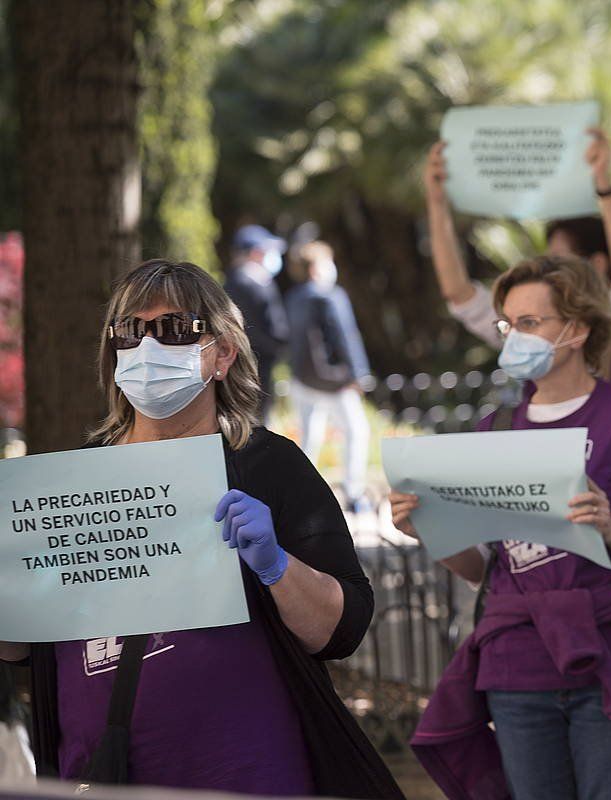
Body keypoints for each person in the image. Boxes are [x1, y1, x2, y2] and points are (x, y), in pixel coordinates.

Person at [0, 260, 403, 798]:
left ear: (222, 352)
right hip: (100, 769)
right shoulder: (74, 478)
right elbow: (20, 646)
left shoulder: (268, 466)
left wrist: (278, 567)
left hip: (243, 772)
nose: (148, 347)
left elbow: (341, 629)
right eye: (130, 331)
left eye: (174, 328)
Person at [392, 256, 611, 800]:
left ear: (578, 329)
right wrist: (430, 530)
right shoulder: (495, 429)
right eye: (509, 325)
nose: (514, 337)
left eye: (530, 323)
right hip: (517, 664)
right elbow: (484, 569)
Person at [424, 129, 611, 391]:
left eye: (560, 258)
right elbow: (459, 294)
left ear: (598, 264)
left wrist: (603, 186)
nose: (550, 268)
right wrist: (437, 204)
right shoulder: (524, 322)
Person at [285, 240, 373, 513]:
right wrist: (359, 373)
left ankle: (302, 494)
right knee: (357, 433)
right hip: (335, 382)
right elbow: (345, 337)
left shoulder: (294, 297)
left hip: (302, 378)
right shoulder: (330, 296)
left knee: (310, 437)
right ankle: (353, 492)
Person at [225, 224, 290, 418]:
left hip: (235, 363)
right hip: (261, 361)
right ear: (256, 253)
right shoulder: (259, 284)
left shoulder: (230, 282)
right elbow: (277, 328)